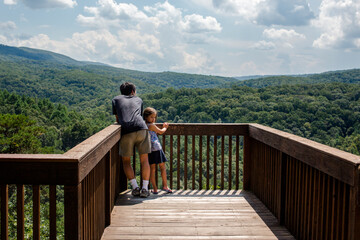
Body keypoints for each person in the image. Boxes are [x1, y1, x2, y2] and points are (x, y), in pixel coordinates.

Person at [112, 82, 151, 198]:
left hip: (127, 131)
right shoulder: (138, 99)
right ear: (133, 92)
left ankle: (135, 187)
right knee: (144, 160)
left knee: (126, 161)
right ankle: (145, 188)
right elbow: (139, 114)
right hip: (142, 128)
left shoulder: (116, 99)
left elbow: (118, 118)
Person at [143, 107, 172, 194]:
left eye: (154, 117)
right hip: (157, 148)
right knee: (162, 167)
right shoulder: (151, 125)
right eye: (151, 117)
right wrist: (165, 127)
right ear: (146, 117)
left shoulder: (144, 125)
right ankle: (165, 186)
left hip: (149, 150)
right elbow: (160, 131)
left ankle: (155, 189)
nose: (153, 119)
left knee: (152, 169)